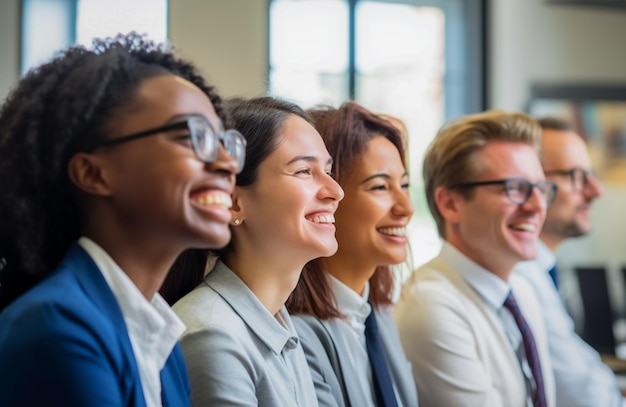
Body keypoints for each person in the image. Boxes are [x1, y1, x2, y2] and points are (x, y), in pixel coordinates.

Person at [0, 32, 244, 406]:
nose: (227, 164)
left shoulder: (159, 339)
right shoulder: (59, 330)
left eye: (224, 142)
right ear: (94, 173)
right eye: (193, 136)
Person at [166, 96, 344, 406]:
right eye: (303, 171)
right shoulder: (213, 335)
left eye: (328, 171)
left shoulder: (279, 322)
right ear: (233, 201)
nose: (336, 192)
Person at [394, 110, 557, 407]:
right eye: (516, 188)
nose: (537, 206)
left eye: (540, 189)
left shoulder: (522, 291)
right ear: (450, 203)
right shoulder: (430, 304)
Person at [286, 101, 419, 407]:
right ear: (328, 197)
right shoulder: (296, 335)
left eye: (405, 184)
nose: (407, 208)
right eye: (380, 187)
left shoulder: (378, 314)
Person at [513, 117, 621, 407]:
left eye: (591, 174)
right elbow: (583, 397)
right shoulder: (517, 278)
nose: (595, 191)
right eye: (576, 176)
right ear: (530, 182)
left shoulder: (540, 271)